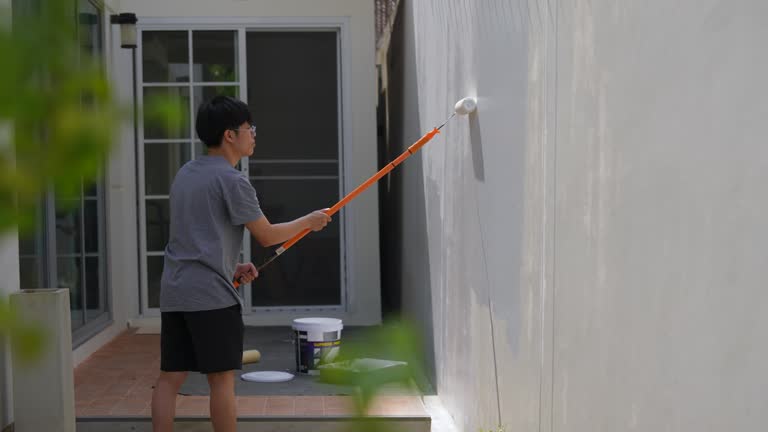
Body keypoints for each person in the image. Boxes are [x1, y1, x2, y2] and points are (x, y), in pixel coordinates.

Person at [151, 95, 331, 432]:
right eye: (249, 128)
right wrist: (309, 221)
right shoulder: (233, 181)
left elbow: (194, 236)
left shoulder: (186, 173)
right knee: (221, 382)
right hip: (211, 298)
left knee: (169, 378)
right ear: (229, 135)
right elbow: (267, 235)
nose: (254, 134)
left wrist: (229, 266)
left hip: (175, 292)